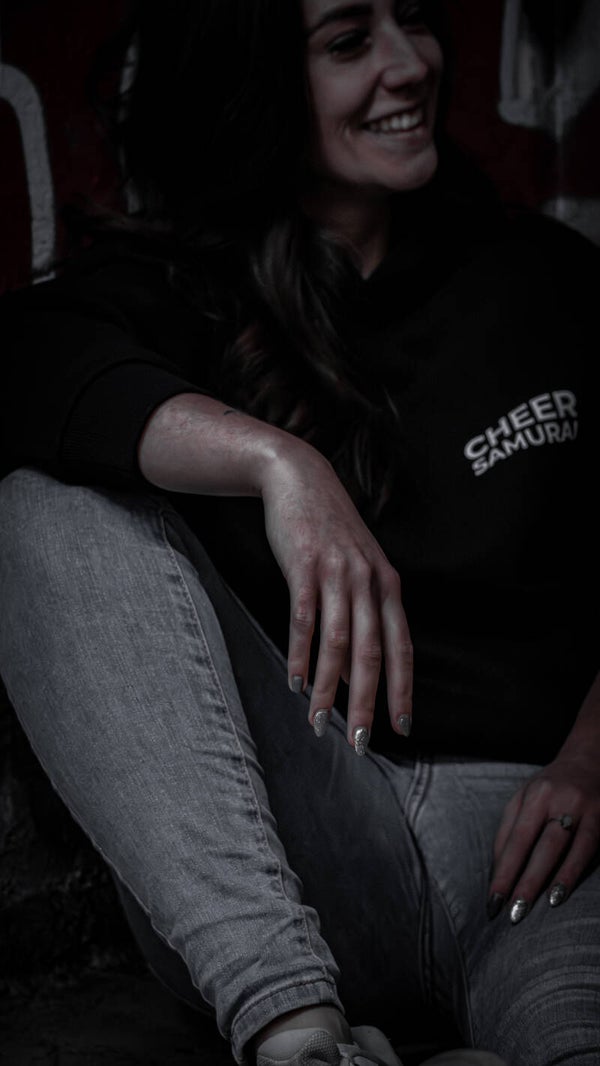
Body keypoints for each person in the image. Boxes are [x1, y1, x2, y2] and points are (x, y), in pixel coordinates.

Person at [0, 1, 599, 1064]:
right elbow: (22, 365)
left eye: (415, 19)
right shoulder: (189, 288)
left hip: (546, 863)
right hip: (307, 855)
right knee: (44, 506)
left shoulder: (548, 277)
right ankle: (298, 1035)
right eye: (348, 43)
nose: (408, 65)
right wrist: (280, 464)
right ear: (260, 87)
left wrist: (594, 761)